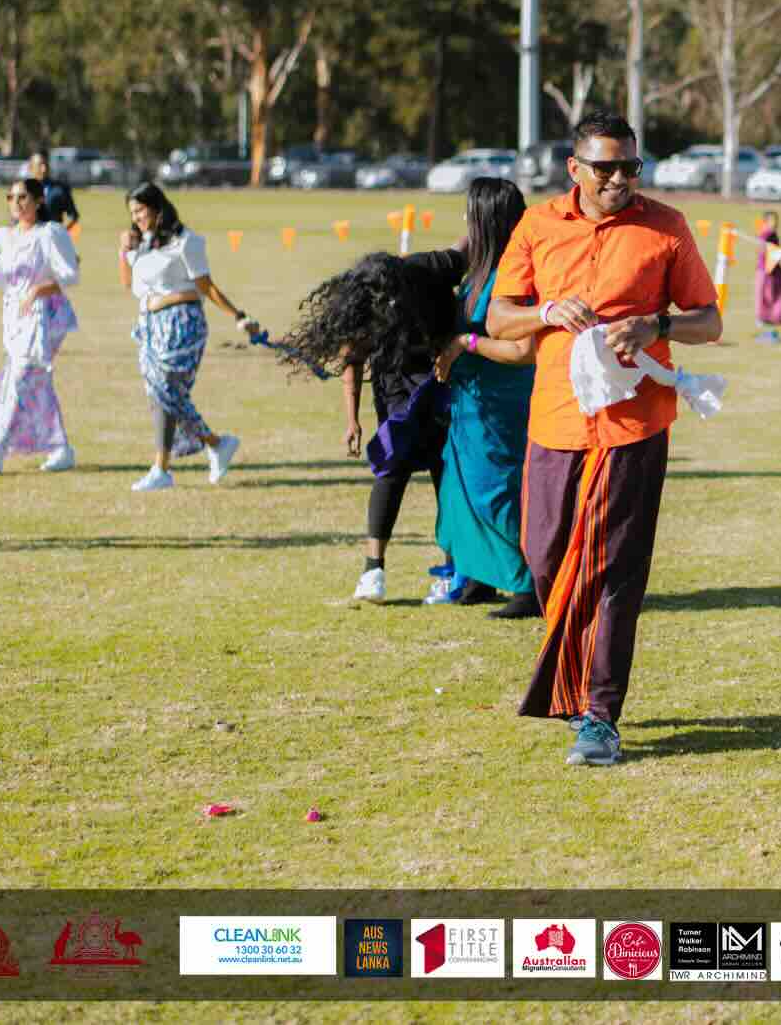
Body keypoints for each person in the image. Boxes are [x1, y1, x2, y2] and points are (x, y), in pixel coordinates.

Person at [485, 113, 723, 768]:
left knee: (614, 569)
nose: (620, 179)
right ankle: (572, 682)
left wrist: (657, 323)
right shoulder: (537, 225)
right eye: (606, 167)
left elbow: (710, 321)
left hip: (633, 426)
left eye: (630, 167)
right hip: (554, 421)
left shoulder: (666, 227)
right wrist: (545, 312)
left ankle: (598, 711)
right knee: (546, 557)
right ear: (575, 169)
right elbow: (498, 316)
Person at [284, 247, 468, 604]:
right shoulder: (361, 304)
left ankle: (453, 569)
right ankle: (373, 571)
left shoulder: (429, 268)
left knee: (444, 472)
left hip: (440, 382)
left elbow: (469, 249)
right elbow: (351, 360)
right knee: (392, 469)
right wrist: (351, 419)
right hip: (395, 389)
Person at [430, 178, 541, 618]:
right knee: (460, 490)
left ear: (486, 219)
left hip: (502, 399)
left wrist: (463, 345)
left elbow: (523, 350)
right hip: (468, 402)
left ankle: (528, 583)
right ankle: (479, 575)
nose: (464, 221)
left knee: (497, 491)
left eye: (470, 213)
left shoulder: (515, 276)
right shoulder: (478, 268)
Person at [119, 183, 248, 492]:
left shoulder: (186, 241)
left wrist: (238, 315)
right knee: (160, 394)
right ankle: (215, 444)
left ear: (157, 207)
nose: (135, 218)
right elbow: (130, 287)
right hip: (151, 326)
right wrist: (124, 252)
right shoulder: (145, 243)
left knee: (165, 389)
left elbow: (206, 286)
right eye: (132, 213)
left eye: (140, 210)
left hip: (183, 323)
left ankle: (162, 468)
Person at [0, 178, 81, 474]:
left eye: (23, 197)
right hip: (15, 317)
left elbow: (70, 275)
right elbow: (0, 280)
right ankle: (61, 449)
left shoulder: (51, 233)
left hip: (46, 317)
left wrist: (39, 290)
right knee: (36, 382)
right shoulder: (3, 235)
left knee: (18, 379)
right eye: (11, 197)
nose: (16, 203)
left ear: (39, 200)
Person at [754, 209, 781, 344]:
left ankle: (777, 317)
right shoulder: (765, 234)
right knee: (764, 295)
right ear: (766, 221)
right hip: (765, 270)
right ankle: (762, 318)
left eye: (776, 220)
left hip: (776, 269)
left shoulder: (774, 234)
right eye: (772, 220)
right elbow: (764, 250)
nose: (775, 223)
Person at [25, 150, 79, 230]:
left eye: (46, 164)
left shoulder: (60, 189)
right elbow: (15, 218)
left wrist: (60, 232)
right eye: (40, 165)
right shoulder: (22, 189)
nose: (44, 169)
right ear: (30, 168)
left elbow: (73, 216)